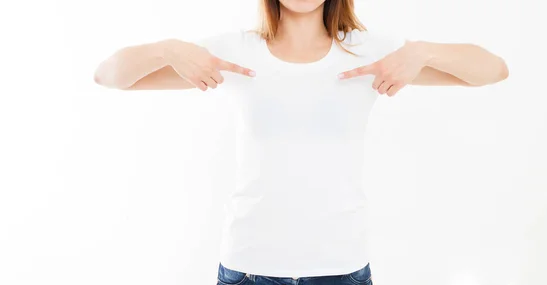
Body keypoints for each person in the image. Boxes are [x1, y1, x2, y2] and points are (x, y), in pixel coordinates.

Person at [94, 0, 508, 284]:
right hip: (248, 268)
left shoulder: (370, 52)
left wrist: (424, 52)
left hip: (341, 269)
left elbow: (494, 70)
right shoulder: (233, 51)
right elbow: (109, 76)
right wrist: (167, 49)